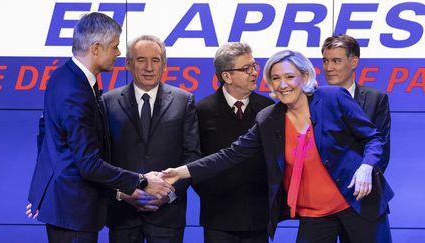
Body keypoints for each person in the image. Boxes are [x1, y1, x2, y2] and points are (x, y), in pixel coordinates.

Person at [162, 50, 394, 243]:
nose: (282, 85)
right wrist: (182, 172)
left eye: (289, 77)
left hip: (357, 202)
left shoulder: (333, 98)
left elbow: (374, 138)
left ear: (304, 76)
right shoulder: (269, 117)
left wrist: (366, 167)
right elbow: (230, 154)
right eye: (275, 78)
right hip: (315, 215)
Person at [26, 13, 173, 243]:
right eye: (114, 47)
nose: (118, 53)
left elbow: (46, 133)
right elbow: (88, 164)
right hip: (73, 211)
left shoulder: (64, 76)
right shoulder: (75, 91)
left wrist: (41, 190)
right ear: (96, 48)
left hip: (67, 206)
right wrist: (142, 180)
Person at [102, 34, 201, 243]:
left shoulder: (184, 101)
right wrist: (123, 193)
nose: (149, 67)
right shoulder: (107, 102)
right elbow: (103, 158)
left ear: (164, 65)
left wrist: (167, 194)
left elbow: (192, 156)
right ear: (128, 63)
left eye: (155, 60)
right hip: (123, 216)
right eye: (141, 60)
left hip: (168, 215)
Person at [195, 42, 274, 243]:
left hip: (258, 216)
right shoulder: (202, 110)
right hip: (218, 216)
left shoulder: (268, 109)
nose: (254, 73)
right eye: (246, 68)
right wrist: (211, 192)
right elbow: (195, 159)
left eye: (254, 66)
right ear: (227, 76)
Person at [321, 34, 391, 174]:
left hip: (361, 186)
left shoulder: (376, 99)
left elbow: (381, 148)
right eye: (325, 61)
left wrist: (365, 180)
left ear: (353, 62)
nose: (329, 68)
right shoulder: (313, 99)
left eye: (336, 61)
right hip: (323, 185)